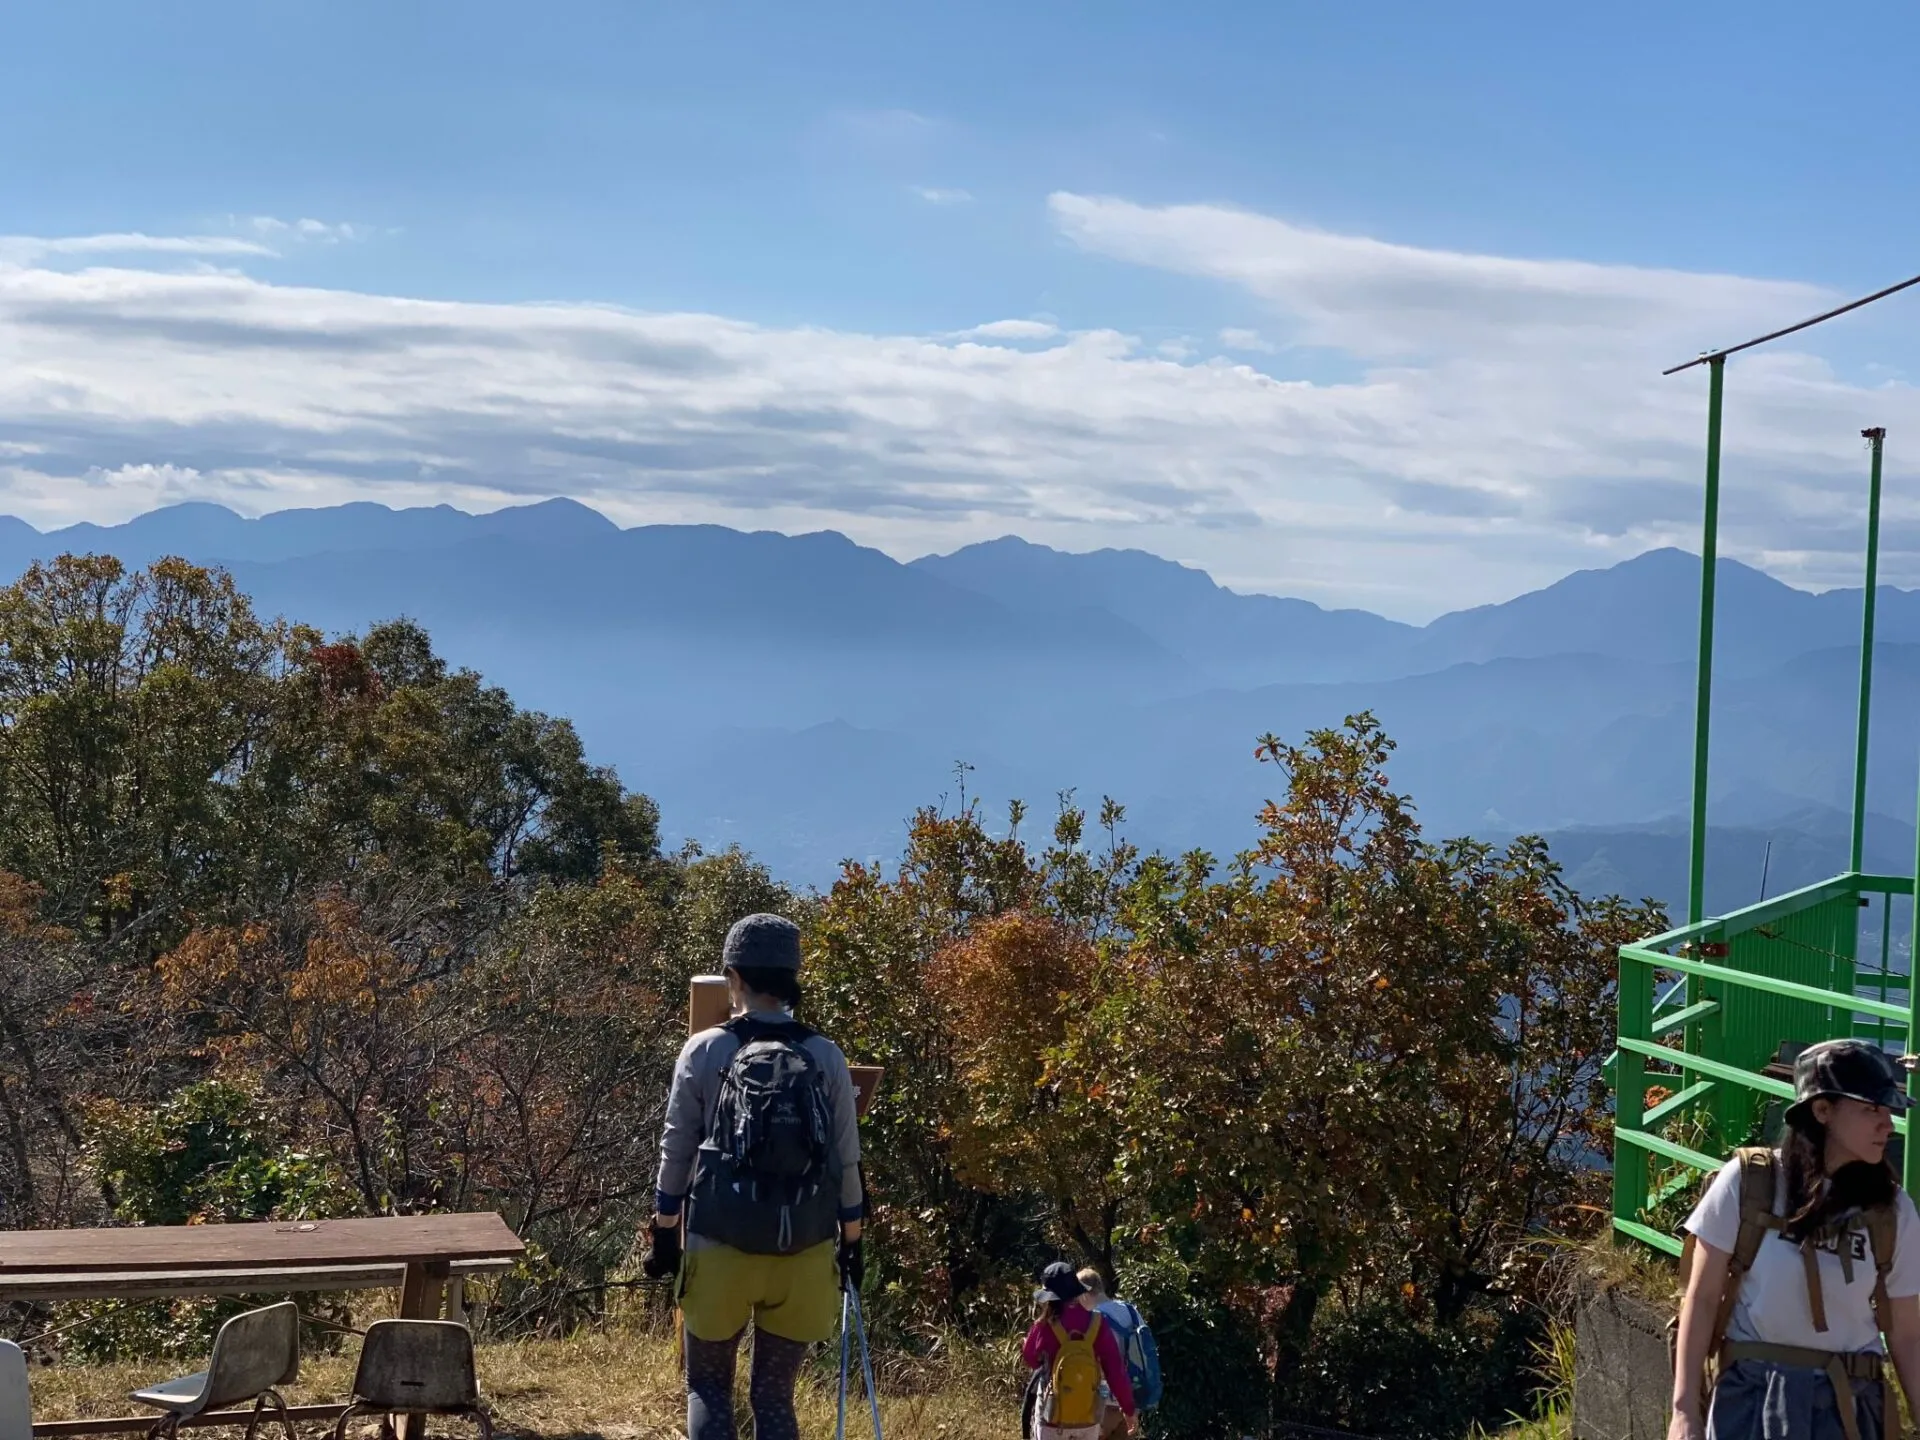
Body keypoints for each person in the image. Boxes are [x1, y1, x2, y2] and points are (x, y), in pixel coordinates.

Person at [642, 914, 865, 1440]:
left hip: (721, 1242)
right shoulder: (825, 1055)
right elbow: (846, 1161)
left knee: (709, 1387)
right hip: (805, 1249)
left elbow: (677, 1151)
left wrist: (665, 1232)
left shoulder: (704, 1050)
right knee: (773, 1395)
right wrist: (851, 1242)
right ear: (792, 980)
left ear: (734, 978)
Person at [1671, 1039, 1920, 1440]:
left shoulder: (1892, 1209)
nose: (1887, 1124)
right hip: (1751, 1403)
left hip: (1851, 1410)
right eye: (1871, 1109)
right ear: (1822, 1111)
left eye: (1888, 1110)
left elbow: (1908, 1333)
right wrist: (1684, 1412)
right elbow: (1699, 1299)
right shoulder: (1749, 1183)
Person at [1023, 1261, 1138, 1440]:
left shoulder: (1044, 1326)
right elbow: (1115, 1371)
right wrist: (1129, 1410)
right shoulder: (1097, 1323)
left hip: (1052, 1417)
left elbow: (1030, 1358)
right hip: (1088, 1417)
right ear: (1077, 1291)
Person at [1076, 1268, 1161, 1436]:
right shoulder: (1130, 1310)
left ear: (1084, 1293)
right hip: (1132, 1400)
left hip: (1103, 1404)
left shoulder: (1092, 1320)